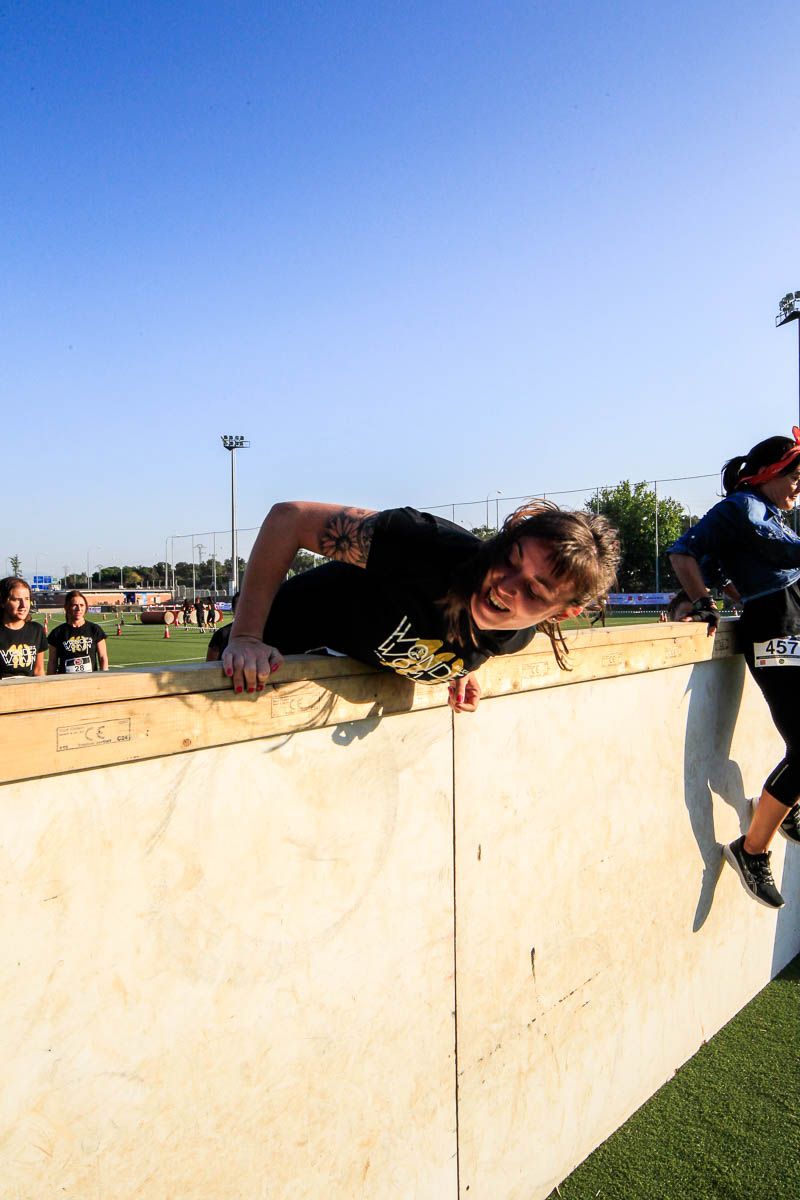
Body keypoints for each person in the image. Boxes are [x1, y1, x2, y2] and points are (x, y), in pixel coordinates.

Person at [222, 501, 620, 712]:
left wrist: (458, 666)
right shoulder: (423, 546)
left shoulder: (513, 637)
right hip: (256, 660)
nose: (504, 585)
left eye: (534, 593)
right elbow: (288, 519)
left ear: (561, 613)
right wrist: (245, 635)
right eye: (508, 559)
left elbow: (458, 634)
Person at [669, 428, 800, 909]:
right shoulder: (740, 508)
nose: (798, 485)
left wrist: (721, 590)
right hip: (774, 633)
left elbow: (728, 565)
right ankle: (751, 850)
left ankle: (782, 809)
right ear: (767, 472)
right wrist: (701, 600)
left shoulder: (767, 514)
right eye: (793, 475)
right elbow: (683, 550)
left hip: (790, 626)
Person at [47, 589, 109, 674]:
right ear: (67, 607)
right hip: (66, 682)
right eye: (74, 605)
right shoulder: (57, 633)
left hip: (89, 682)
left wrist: (104, 678)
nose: (79, 609)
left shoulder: (95, 629)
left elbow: (103, 658)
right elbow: (52, 662)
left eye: (82, 605)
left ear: (86, 607)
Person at [0, 576, 48, 679]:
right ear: (3, 602)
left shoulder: (36, 631)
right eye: (16, 600)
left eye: (27, 599)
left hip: (29, 692)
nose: (23, 605)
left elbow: (39, 670)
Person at [206, 593, 238, 662]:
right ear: (233, 609)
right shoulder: (221, 634)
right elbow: (210, 665)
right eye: (240, 607)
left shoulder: (264, 634)